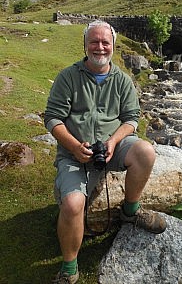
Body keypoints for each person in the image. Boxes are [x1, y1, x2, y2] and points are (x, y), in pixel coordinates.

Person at [44, 20, 166, 284]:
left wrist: (113, 142)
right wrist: (75, 147)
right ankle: (69, 269)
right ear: (85, 45)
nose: (100, 47)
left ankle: (130, 211)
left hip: (113, 147)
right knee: (73, 204)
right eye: (94, 42)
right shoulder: (68, 76)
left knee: (145, 150)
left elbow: (132, 118)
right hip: (73, 152)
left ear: (113, 46)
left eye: (105, 42)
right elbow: (53, 119)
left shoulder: (122, 80)